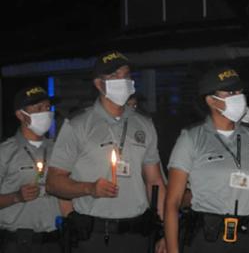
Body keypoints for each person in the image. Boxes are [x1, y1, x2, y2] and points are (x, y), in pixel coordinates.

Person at [46, 50, 167, 253]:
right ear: (98, 84)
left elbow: (154, 181)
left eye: (125, 75)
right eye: (113, 76)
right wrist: (89, 188)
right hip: (94, 237)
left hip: (138, 235)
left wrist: (164, 231)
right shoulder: (78, 125)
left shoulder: (144, 123)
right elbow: (53, 183)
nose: (122, 80)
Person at [164, 66, 249, 253]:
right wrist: (172, 249)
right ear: (211, 100)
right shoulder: (192, 138)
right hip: (208, 238)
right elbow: (172, 202)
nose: (238, 97)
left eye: (239, 91)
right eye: (231, 92)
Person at [0, 86, 64, 253]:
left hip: (54, 241)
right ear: (21, 115)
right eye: (38, 108)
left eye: (47, 108)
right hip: (18, 244)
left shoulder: (58, 149)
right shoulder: (5, 152)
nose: (46, 112)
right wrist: (16, 197)